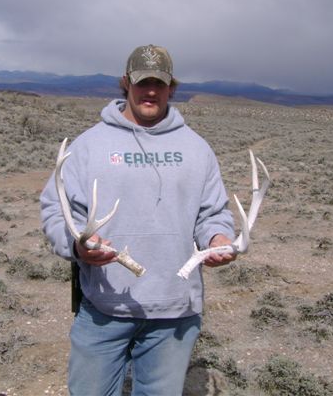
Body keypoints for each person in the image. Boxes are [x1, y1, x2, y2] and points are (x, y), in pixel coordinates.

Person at [40, 44, 237, 396]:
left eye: (159, 84)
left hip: (174, 310)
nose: (150, 92)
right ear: (125, 84)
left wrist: (218, 239)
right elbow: (57, 210)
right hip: (105, 306)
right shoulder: (88, 146)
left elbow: (212, 214)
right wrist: (77, 246)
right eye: (142, 82)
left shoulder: (197, 149)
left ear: (171, 88)